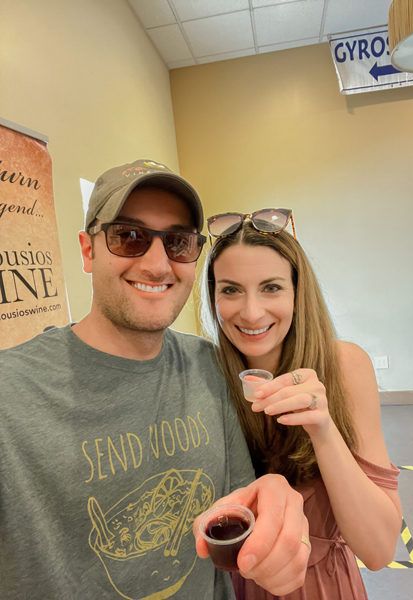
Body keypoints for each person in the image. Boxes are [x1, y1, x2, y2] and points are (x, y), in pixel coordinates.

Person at [0, 164, 309, 600]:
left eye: (179, 242)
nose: (158, 263)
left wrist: (275, 496)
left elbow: (241, 501)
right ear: (88, 251)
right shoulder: (11, 394)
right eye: (129, 237)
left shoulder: (210, 365)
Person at [201, 209, 403, 600]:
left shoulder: (343, 366)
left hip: (323, 586)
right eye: (230, 289)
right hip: (232, 585)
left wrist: (323, 429)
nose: (252, 312)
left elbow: (379, 550)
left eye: (271, 287)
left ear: (297, 291)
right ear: (213, 296)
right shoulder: (206, 374)